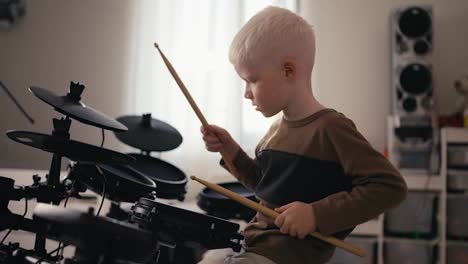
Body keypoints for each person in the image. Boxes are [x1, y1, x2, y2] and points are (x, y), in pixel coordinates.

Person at [200, 6, 407, 264]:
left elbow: (390, 187)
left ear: (288, 71)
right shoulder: (276, 131)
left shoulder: (330, 128)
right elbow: (268, 189)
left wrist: (315, 215)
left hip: (284, 256)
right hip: (254, 246)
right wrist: (230, 150)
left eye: (252, 80)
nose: (247, 93)